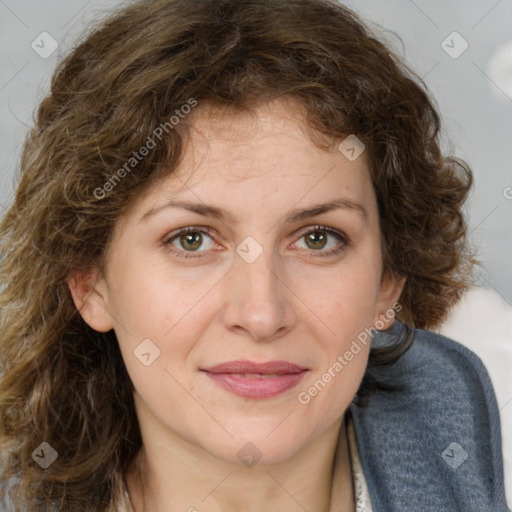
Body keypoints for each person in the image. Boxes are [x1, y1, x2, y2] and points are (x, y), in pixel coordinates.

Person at [0, 0, 508, 511]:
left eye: (317, 238)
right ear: (90, 282)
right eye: (191, 239)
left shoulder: (468, 421)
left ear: (389, 279)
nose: (262, 315)